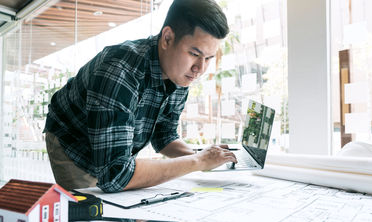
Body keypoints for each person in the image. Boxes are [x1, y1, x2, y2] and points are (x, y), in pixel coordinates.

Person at [44, 0, 237, 192]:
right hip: (73, 141)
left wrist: (206, 156)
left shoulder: (179, 73)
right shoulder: (119, 70)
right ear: (167, 38)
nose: (200, 69)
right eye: (194, 54)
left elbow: (164, 136)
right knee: (94, 212)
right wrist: (198, 161)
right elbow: (115, 175)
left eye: (209, 58)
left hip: (113, 159)